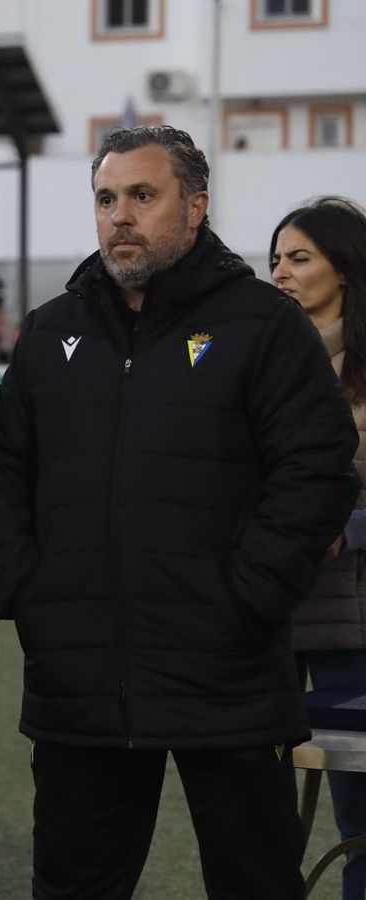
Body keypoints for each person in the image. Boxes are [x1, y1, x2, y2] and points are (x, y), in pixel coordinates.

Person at [0, 126, 358, 900]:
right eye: (106, 199)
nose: (120, 216)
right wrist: (27, 589)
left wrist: (245, 597)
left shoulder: (262, 324)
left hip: (230, 676)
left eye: (142, 196)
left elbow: (316, 472)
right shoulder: (52, 331)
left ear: (195, 207)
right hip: (79, 683)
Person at [272, 195, 366, 900]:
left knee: (357, 816)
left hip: (350, 616)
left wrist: (341, 529)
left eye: (299, 258)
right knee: (253, 809)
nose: (280, 272)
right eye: (275, 259)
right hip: (262, 607)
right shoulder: (258, 360)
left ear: (347, 267)